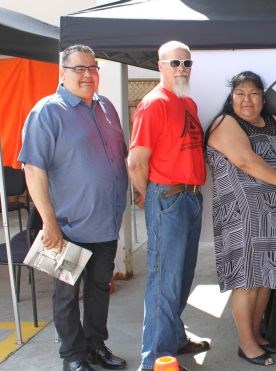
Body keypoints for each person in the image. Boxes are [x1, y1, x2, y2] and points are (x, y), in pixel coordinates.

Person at [19, 44, 128, 371]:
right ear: (62, 73)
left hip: (105, 223)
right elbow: (33, 168)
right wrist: (49, 221)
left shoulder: (106, 106)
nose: (87, 74)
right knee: (67, 296)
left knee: (99, 290)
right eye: (79, 68)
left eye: (92, 68)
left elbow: (117, 157)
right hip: (66, 227)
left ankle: (96, 346)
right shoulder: (46, 112)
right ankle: (73, 357)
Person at [205, 71, 276, 367]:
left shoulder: (274, 123)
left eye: (253, 93)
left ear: (263, 98)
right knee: (247, 280)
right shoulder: (226, 123)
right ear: (231, 97)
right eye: (240, 93)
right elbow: (245, 160)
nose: (247, 100)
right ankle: (246, 343)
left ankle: (256, 335)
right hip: (244, 217)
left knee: (266, 279)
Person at [128, 41, 208, 371]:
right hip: (168, 197)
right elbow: (136, 161)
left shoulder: (187, 101)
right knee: (163, 282)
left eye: (186, 63)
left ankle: (174, 338)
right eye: (174, 62)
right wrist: (146, 193)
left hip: (190, 196)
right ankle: (155, 363)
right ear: (160, 66)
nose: (181, 69)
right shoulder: (153, 104)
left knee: (182, 276)